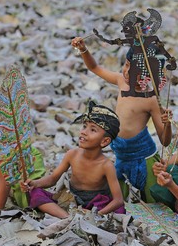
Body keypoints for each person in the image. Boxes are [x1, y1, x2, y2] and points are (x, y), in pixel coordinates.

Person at [71, 35, 172, 203]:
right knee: (120, 200)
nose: (127, 72)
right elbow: (95, 67)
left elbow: (165, 141)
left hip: (144, 158)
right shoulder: (121, 81)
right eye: (126, 65)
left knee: (155, 200)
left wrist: (167, 124)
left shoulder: (151, 99)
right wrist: (83, 49)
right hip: (121, 155)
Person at [21, 101, 125, 218]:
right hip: (71, 198)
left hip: (96, 203)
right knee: (35, 193)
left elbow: (118, 200)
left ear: (104, 141)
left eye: (93, 130)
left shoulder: (106, 165)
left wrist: (96, 215)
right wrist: (34, 183)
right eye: (84, 126)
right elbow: (52, 179)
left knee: (119, 210)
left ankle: (77, 218)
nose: (84, 132)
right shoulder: (72, 154)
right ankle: (67, 218)